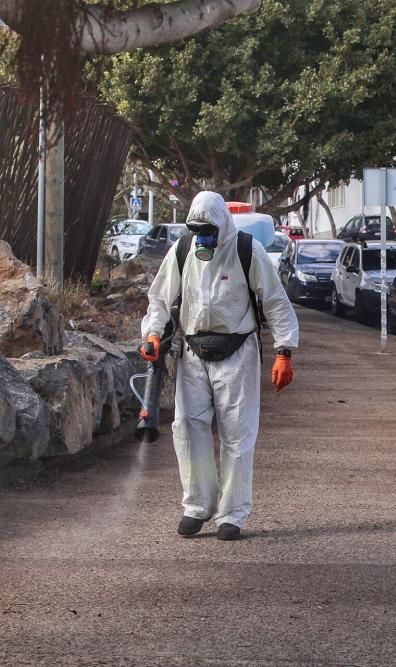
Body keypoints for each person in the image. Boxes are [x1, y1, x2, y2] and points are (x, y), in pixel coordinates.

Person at [140, 191, 299, 541]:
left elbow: (275, 301)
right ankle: (197, 505)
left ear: (223, 225)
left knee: (237, 433)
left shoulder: (246, 250)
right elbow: (160, 298)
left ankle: (232, 513)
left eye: (209, 231)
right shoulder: (183, 251)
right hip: (193, 352)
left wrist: (284, 351)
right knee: (187, 428)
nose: (204, 238)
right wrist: (153, 333)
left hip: (237, 351)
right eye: (198, 231)